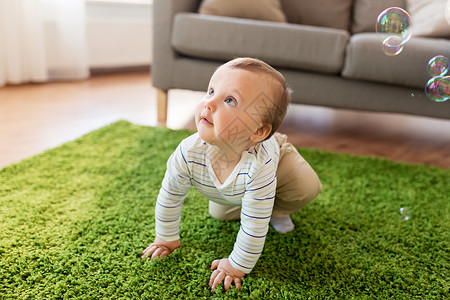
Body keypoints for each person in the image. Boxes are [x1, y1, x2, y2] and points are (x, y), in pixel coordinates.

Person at [141, 57, 322, 291]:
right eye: (211, 91)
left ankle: (277, 209)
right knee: (221, 214)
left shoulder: (260, 165)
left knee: (305, 186)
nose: (209, 103)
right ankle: (256, 202)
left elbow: (254, 227)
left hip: (279, 161)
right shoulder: (188, 152)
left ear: (258, 130)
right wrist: (165, 238)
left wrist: (236, 265)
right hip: (237, 181)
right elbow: (170, 196)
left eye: (229, 100)